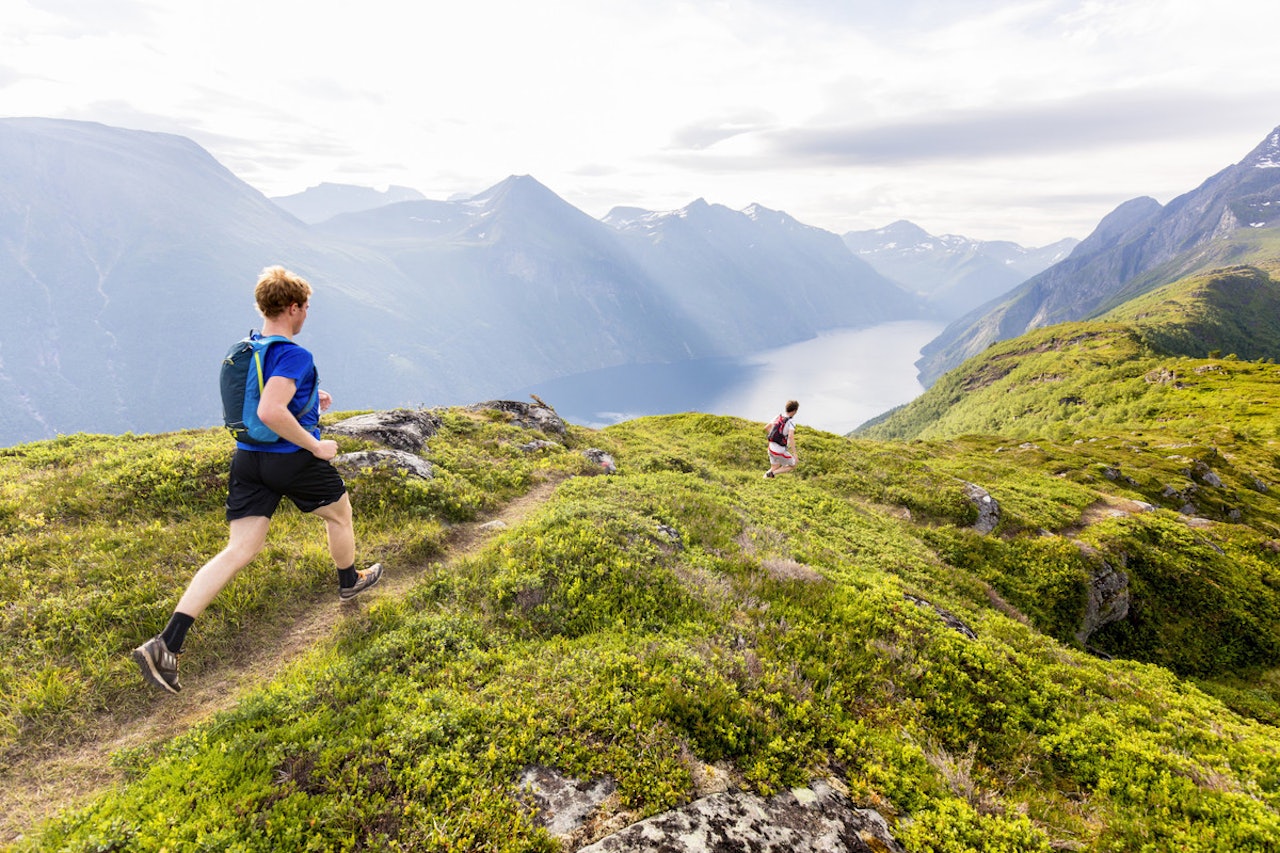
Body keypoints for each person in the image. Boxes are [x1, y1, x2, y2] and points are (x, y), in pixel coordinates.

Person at [133, 266, 382, 694]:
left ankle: (166, 644)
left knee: (238, 550)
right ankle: (349, 582)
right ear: (293, 307)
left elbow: (264, 402)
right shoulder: (293, 353)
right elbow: (269, 411)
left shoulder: (250, 346)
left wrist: (308, 400)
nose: (306, 315)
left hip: (248, 460)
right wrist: (317, 446)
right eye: (305, 308)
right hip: (291, 460)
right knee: (339, 515)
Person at [764, 400, 800, 478]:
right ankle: (773, 474)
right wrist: (795, 454)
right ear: (794, 411)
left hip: (770, 448)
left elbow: (766, 428)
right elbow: (790, 436)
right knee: (793, 465)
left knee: (774, 467)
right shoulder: (791, 421)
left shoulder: (778, 416)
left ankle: (763, 480)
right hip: (779, 451)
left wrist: (775, 437)